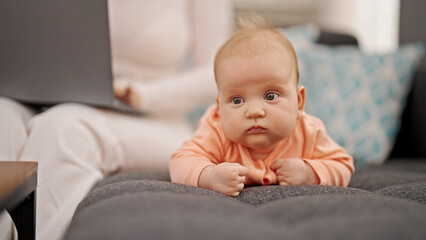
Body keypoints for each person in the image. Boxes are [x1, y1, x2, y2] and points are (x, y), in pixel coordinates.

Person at [0, 1, 233, 239]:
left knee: (64, 129)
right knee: (3, 119)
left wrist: (142, 95)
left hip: (156, 119)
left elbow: (215, 72)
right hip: (51, 100)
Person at [169, 19, 355, 197]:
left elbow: (342, 165)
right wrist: (209, 176)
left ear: (299, 102)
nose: (254, 112)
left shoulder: (309, 132)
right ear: (219, 109)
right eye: (236, 100)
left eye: (270, 96)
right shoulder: (216, 130)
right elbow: (180, 161)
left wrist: (309, 173)